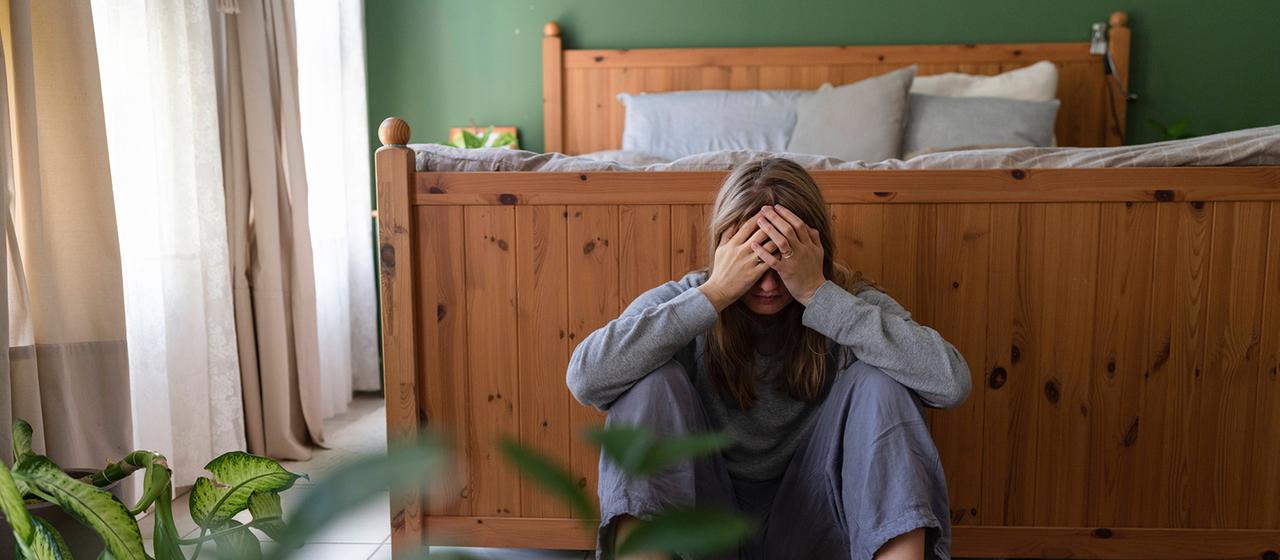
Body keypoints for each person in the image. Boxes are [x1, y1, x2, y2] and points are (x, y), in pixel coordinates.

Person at [565, 157, 970, 560]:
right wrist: (715, 294)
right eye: (755, 260)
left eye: (783, 258)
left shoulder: (848, 305)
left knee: (881, 384)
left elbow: (951, 383)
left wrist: (817, 294)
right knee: (649, 383)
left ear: (815, 249)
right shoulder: (690, 298)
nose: (769, 283)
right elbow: (586, 378)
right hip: (703, 527)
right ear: (725, 250)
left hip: (818, 526)